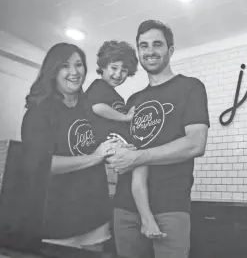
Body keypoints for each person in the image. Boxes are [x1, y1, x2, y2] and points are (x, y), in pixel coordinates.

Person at [107, 20, 210, 258]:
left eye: (157, 44)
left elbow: (196, 143)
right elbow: (124, 152)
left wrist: (137, 157)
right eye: (143, 45)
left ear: (170, 50)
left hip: (170, 207)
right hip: (125, 207)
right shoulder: (132, 101)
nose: (150, 51)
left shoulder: (191, 88)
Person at [21, 43, 121, 251]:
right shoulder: (40, 111)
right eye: (65, 66)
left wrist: (119, 147)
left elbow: (106, 143)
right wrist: (95, 157)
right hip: (56, 224)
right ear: (53, 70)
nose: (74, 72)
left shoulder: (89, 106)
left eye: (79, 65)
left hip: (95, 217)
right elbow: (41, 165)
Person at [85, 40, 166, 239]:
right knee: (141, 164)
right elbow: (97, 108)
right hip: (105, 143)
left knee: (141, 164)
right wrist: (125, 117)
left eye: (123, 70)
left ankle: (145, 217)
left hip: (116, 142)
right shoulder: (98, 86)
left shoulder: (115, 95)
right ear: (103, 67)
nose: (117, 74)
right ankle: (147, 219)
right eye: (113, 67)